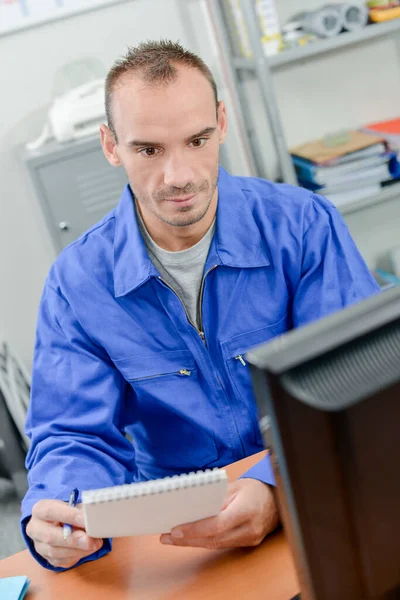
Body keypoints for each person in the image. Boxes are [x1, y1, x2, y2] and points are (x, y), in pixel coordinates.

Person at [22, 40, 379, 571]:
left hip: (321, 496)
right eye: (148, 150)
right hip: (182, 543)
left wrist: (274, 487)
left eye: (196, 140)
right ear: (110, 145)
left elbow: (357, 384)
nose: (178, 176)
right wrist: (62, 509)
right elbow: (72, 433)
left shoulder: (303, 226)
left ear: (221, 122)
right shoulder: (78, 283)